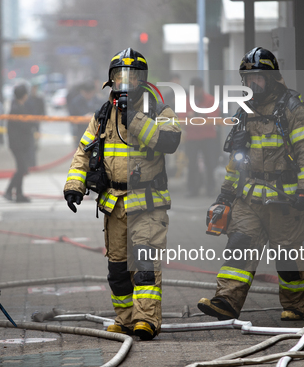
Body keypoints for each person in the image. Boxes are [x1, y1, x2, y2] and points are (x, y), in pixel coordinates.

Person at [63, 48, 181, 340]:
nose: (125, 83)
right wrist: (74, 186)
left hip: (147, 203)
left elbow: (169, 141)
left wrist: (135, 119)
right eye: (119, 77)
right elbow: (84, 152)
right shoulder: (103, 115)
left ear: (143, 80)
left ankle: (146, 320)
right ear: (110, 81)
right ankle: (126, 319)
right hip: (114, 204)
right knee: (117, 269)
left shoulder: (159, 110)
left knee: (144, 265)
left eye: (132, 77)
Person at [197, 48, 304, 321]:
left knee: (287, 256)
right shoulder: (244, 111)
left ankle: (296, 305)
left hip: (284, 199)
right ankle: (226, 300)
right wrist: (225, 194)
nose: (253, 85)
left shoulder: (292, 109)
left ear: (273, 78)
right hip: (249, 197)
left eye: (259, 79)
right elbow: (236, 161)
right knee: (239, 243)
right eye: (248, 79)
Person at [179, 77, 220, 197]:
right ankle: (192, 189)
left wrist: (195, 115)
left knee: (210, 163)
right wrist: (200, 115)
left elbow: (214, 117)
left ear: (201, 89)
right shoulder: (186, 101)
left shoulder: (210, 100)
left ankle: (210, 188)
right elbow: (182, 118)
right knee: (192, 164)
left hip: (208, 137)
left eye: (197, 89)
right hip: (192, 137)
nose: (195, 92)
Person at [4, 84, 32, 203]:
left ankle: (19, 194)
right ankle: (9, 191)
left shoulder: (18, 106)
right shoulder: (16, 108)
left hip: (21, 144)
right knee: (22, 168)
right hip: (17, 144)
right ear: (24, 95)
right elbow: (24, 126)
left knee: (22, 168)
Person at [67, 82, 96, 149]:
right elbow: (72, 116)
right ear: (82, 91)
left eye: (90, 92)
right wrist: (83, 117)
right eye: (86, 93)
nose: (88, 95)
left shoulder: (99, 101)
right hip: (81, 131)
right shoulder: (76, 102)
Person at [25, 83, 46, 167]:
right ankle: (30, 163)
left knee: (35, 144)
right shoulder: (28, 99)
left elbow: (42, 110)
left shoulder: (39, 99)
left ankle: (33, 163)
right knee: (29, 144)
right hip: (29, 124)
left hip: (36, 124)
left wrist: (41, 117)